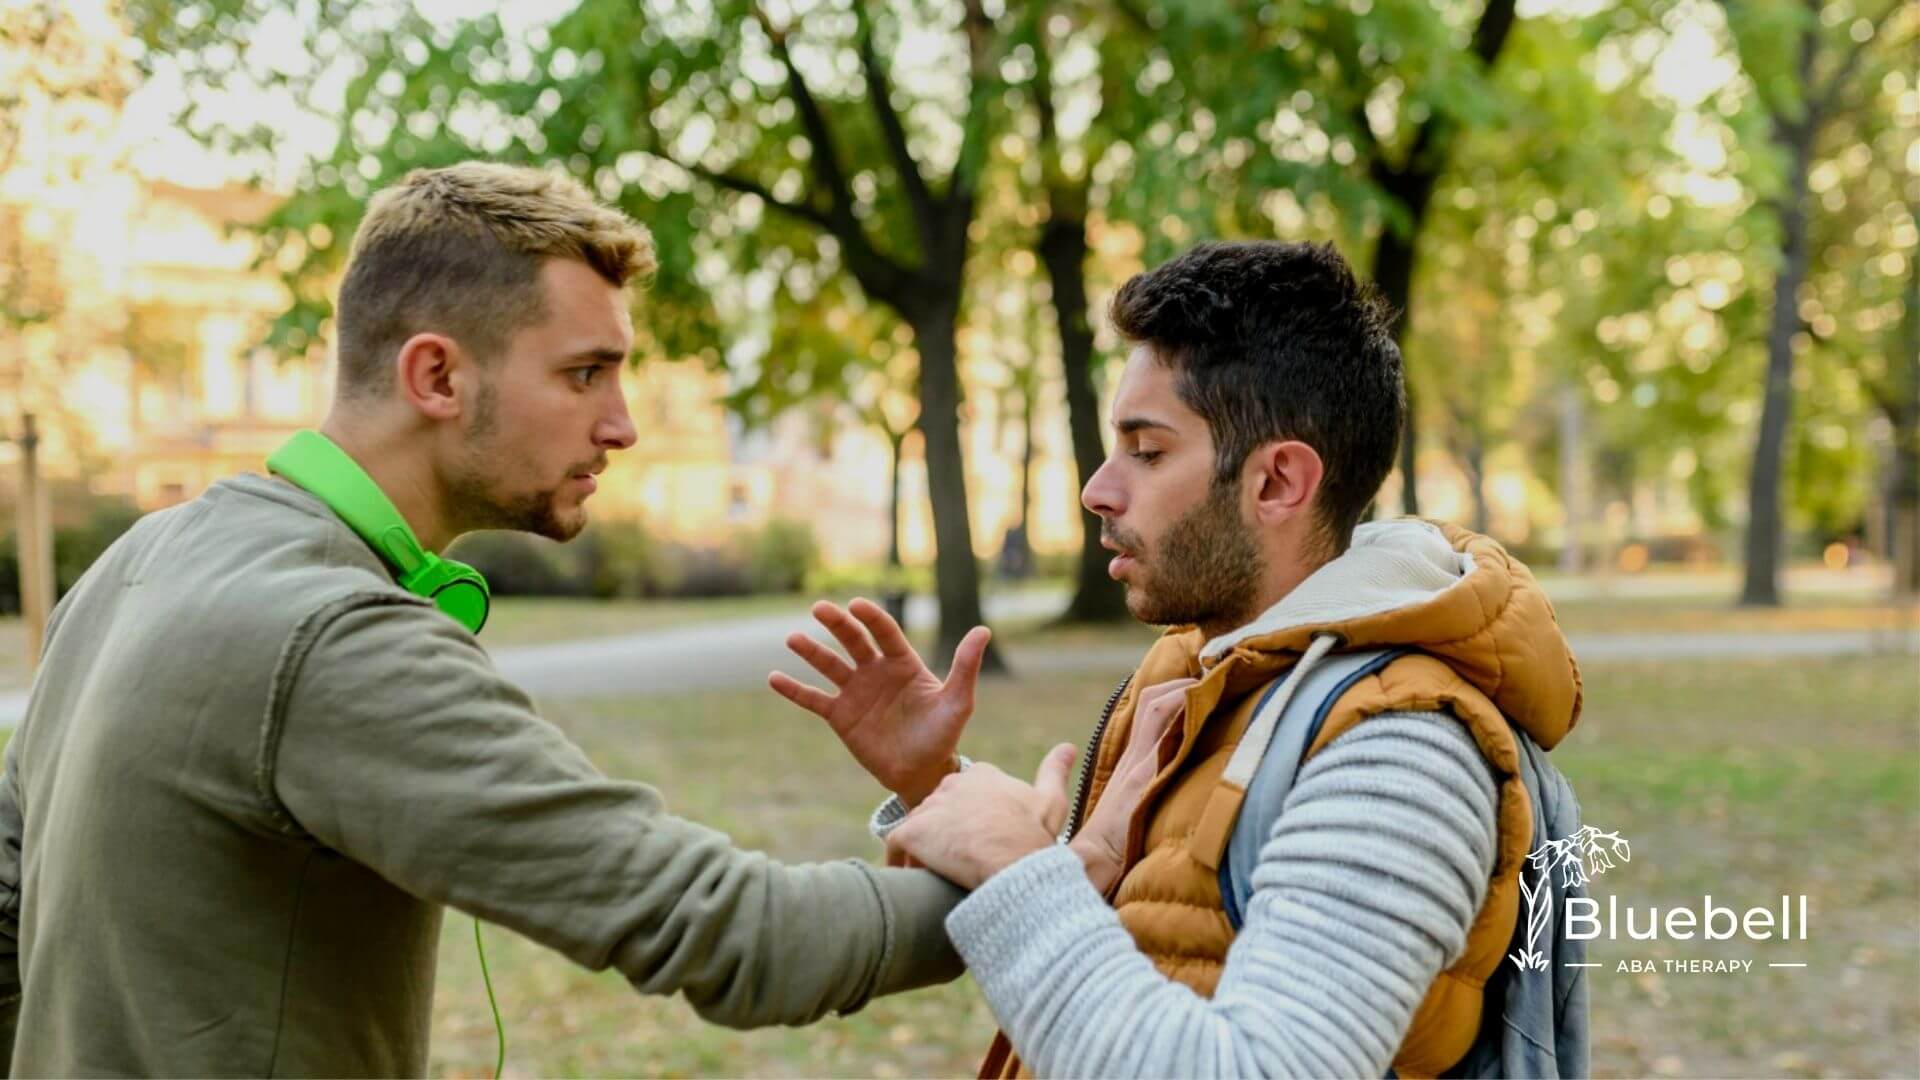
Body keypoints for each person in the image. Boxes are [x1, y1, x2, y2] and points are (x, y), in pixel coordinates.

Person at [0, 161, 979, 1076]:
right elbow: (730, 933)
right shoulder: (334, 638)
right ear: (436, 378)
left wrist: (938, 805)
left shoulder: (143, 555)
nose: (625, 425)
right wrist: (1036, 887)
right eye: (585, 373)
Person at [776, 241, 1585, 1078]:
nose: (1097, 489)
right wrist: (936, 783)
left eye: (1147, 451)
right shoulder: (1196, 672)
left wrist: (1016, 864)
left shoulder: (1399, 751)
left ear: (1277, 483)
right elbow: (1140, 947)